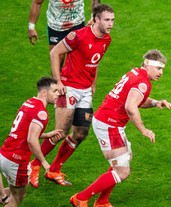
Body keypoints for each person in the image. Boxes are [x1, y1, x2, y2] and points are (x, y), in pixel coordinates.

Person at [70, 49, 171, 207]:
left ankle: (102, 202)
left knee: (125, 158)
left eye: (162, 69)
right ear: (148, 65)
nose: (161, 73)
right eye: (158, 68)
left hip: (110, 122)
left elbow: (134, 100)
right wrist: (144, 130)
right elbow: (130, 107)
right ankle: (81, 197)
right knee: (122, 171)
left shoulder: (135, 73)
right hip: (109, 125)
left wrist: (156, 103)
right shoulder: (143, 83)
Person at [29, 4, 115, 188]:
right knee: (61, 132)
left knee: (81, 133)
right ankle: (34, 165)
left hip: (85, 91)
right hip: (68, 88)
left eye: (112, 20)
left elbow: (96, 60)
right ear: (96, 19)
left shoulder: (107, 39)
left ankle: (54, 169)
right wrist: (58, 81)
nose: (110, 24)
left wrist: (93, 82)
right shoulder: (78, 36)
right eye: (107, 20)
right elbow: (55, 52)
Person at [0, 77, 62, 207]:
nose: (58, 94)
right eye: (54, 91)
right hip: (17, 160)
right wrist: (44, 163)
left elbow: (24, 130)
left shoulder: (28, 103)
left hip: (5, 152)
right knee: (17, 196)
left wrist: (47, 134)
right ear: (44, 92)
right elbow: (31, 139)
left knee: (12, 191)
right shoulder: (41, 112)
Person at [28, 0, 101, 69]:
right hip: (56, 27)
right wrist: (31, 27)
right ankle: (56, 82)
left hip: (77, 26)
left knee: (78, 64)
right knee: (57, 64)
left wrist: (93, 18)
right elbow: (37, 2)